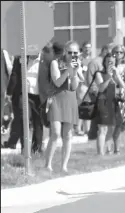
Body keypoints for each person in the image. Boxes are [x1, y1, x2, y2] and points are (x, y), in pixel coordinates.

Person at [45, 41, 84, 172]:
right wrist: (68, 69)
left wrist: (75, 72)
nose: (72, 55)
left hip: (70, 100)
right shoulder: (55, 63)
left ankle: (64, 166)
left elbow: (74, 87)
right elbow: (57, 82)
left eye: (75, 53)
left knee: (67, 134)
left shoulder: (77, 65)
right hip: (56, 98)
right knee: (55, 133)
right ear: (65, 52)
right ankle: (48, 164)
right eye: (70, 52)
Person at [3, 49, 44, 153]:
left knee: (38, 122)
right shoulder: (20, 58)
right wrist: (9, 93)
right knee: (23, 119)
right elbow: (14, 75)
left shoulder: (46, 59)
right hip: (23, 94)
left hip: (39, 96)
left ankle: (37, 148)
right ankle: (24, 149)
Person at [94, 52, 125, 155]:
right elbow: (101, 88)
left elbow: (123, 87)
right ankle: (100, 153)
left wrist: (116, 76)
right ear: (104, 62)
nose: (110, 64)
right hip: (103, 102)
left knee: (111, 128)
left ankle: (107, 150)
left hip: (113, 102)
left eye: (112, 62)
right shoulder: (99, 73)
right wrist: (108, 77)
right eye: (108, 62)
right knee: (102, 129)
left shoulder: (115, 74)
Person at [87, 45, 111, 140]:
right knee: (98, 116)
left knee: (100, 116)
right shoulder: (95, 62)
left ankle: (94, 136)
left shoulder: (109, 62)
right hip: (96, 93)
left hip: (106, 93)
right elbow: (90, 78)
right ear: (104, 50)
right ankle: (93, 135)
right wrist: (94, 91)